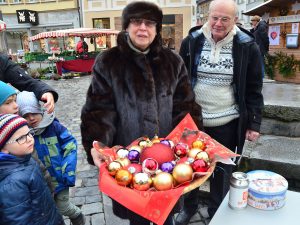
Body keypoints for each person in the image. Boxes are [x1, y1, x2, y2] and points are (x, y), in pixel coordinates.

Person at [80, 1, 203, 225]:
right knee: (137, 215)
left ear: (157, 29)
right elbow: (99, 109)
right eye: (136, 22)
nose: (143, 28)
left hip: (168, 159)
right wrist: (97, 143)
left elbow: (185, 106)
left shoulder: (173, 61)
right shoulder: (108, 62)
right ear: (127, 26)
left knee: (165, 214)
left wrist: (190, 144)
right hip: (129, 160)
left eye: (149, 23)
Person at [176, 0, 263, 224]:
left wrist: (254, 123)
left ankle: (217, 211)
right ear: (208, 16)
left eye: (225, 19)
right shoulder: (191, 41)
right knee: (188, 168)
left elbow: (254, 88)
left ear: (235, 19)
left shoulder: (246, 45)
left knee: (222, 172)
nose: (218, 23)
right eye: (214, 17)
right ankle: (189, 207)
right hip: (194, 123)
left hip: (228, 122)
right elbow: (178, 80)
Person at [16, 91, 85, 225]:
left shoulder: (54, 127)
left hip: (60, 177)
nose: (31, 118)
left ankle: (77, 216)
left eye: (33, 113)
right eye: (26, 115)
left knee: (63, 206)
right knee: (51, 209)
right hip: (42, 183)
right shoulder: (23, 135)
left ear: (40, 110)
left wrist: (68, 171)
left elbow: (70, 145)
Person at [0, 113, 64, 225]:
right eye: (21, 138)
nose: (29, 139)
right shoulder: (12, 184)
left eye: (29, 133)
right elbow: (18, 219)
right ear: (3, 148)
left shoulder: (25, 157)